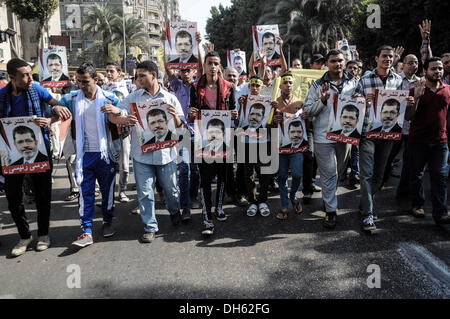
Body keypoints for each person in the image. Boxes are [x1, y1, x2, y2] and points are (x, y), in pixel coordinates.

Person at [0, 58, 71, 257]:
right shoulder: (1, 96)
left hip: (40, 151)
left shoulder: (37, 90)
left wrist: (52, 115)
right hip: (11, 155)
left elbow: (58, 108)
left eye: (31, 73)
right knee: (13, 198)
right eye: (25, 75)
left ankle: (43, 234)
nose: (31, 78)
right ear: (12, 77)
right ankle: (24, 236)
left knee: (43, 195)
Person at [109, 60, 184, 244]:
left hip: (166, 154)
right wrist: (125, 120)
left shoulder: (170, 98)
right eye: (137, 76)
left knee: (171, 190)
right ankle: (150, 227)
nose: (138, 79)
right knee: (144, 192)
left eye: (142, 75)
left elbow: (181, 126)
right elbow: (113, 117)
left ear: (154, 75)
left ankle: (174, 212)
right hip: (141, 155)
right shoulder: (133, 98)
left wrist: (174, 116)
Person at [59, 62, 122, 248]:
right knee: (85, 193)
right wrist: (54, 111)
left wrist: (119, 111)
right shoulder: (71, 98)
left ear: (96, 80)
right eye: (78, 81)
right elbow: (54, 108)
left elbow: (122, 115)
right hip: (84, 155)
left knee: (107, 191)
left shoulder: (110, 98)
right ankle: (86, 230)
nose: (81, 85)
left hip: (105, 154)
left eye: (85, 81)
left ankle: (107, 222)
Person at [355, 45, 410, 231]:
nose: (387, 59)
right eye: (384, 56)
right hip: (368, 133)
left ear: (394, 59)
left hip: (388, 133)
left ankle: (365, 204)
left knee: (380, 175)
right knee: (367, 174)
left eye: (390, 56)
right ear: (376, 58)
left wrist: (410, 101)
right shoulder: (364, 80)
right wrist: (362, 100)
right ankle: (368, 214)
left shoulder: (399, 81)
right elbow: (353, 103)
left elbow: (404, 109)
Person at [303, 49, 358, 229]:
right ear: (327, 63)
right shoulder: (317, 85)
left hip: (345, 136)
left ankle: (328, 199)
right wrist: (323, 100)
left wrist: (361, 99)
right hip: (323, 137)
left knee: (339, 173)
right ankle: (331, 211)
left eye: (340, 61)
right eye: (333, 61)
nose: (338, 64)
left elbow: (362, 105)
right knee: (329, 174)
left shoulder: (354, 82)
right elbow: (307, 111)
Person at [188, 51, 238, 236]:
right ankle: (207, 218)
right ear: (204, 65)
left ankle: (218, 207)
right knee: (206, 179)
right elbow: (191, 112)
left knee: (223, 176)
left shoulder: (229, 87)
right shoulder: (195, 86)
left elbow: (233, 111)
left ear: (220, 67)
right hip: (203, 139)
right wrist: (191, 114)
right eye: (209, 63)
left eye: (216, 63)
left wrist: (234, 114)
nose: (212, 66)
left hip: (224, 138)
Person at [405, 57, 450, 224]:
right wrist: (416, 98)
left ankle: (441, 212)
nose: (437, 71)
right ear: (425, 71)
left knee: (439, 176)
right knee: (416, 175)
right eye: (433, 69)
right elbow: (409, 117)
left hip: (440, 142)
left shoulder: (448, 90)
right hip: (417, 140)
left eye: (439, 68)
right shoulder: (414, 89)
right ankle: (417, 204)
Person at [102, 62, 131, 203]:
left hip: (124, 130)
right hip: (108, 130)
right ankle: (109, 195)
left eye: (111, 71)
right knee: (110, 164)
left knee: (124, 165)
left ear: (119, 72)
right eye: (107, 71)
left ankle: (122, 191)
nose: (108, 74)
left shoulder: (128, 86)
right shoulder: (102, 88)